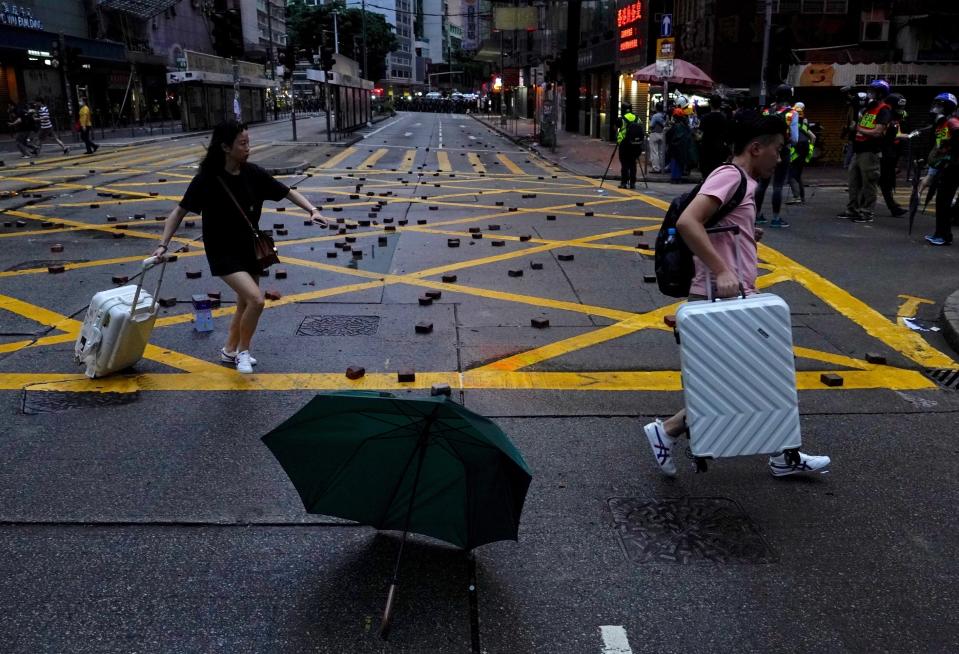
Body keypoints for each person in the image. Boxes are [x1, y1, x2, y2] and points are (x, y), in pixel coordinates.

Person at [642, 114, 831, 478]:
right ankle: (667, 431)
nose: (780, 158)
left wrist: (744, 234)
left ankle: (780, 455)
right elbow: (688, 222)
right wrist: (723, 270)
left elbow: (714, 226)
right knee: (748, 378)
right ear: (756, 149)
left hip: (732, 297)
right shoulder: (730, 176)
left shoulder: (741, 181)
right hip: (719, 298)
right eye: (777, 149)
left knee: (751, 378)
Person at [150, 120, 329, 373]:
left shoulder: (253, 173)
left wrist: (312, 210)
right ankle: (243, 353)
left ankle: (229, 350)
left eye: (248, 143)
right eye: (243, 144)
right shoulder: (208, 179)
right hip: (222, 251)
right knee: (256, 300)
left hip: (250, 248)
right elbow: (178, 212)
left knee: (244, 303)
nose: (248, 148)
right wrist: (162, 245)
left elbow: (287, 192)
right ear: (225, 147)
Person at [839, 79, 892, 223]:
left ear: (881, 94)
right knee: (853, 182)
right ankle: (852, 209)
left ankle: (867, 212)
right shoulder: (868, 108)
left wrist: (859, 129)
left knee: (869, 183)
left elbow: (878, 132)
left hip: (870, 152)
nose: (870, 94)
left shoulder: (883, 110)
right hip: (858, 150)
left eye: (873, 91)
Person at [755, 84, 797, 228]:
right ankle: (776, 218)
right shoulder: (792, 113)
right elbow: (795, 138)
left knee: (762, 184)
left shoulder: (767, 111)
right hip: (783, 150)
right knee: (778, 185)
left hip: (766, 150)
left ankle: (757, 215)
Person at [925, 94, 959, 246]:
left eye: (939, 105)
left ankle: (944, 236)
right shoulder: (939, 124)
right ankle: (941, 233)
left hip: (953, 167)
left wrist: (948, 147)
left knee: (944, 201)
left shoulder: (952, 122)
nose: (936, 108)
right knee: (942, 201)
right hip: (945, 167)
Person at [878, 94, 908, 217]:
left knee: (886, 182)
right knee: (882, 182)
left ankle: (893, 206)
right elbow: (882, 134)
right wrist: (904, 136)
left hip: (891, 154)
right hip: (882, 154)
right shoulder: (885, 116)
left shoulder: (897, 118)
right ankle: (892, 207)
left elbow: (897, 133)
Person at [786, 102, 815, 205]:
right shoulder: (804, 122)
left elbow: (792, 138)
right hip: (805, 151)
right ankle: (801, 197)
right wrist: (810, 152)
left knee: (791, 176)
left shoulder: (792, 122)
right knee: (798, 175)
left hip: (796, 151)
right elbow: (813, 137)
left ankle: (796, 197)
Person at [697, 94, 731, 179]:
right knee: (716, 177)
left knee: (706, 177)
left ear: (710, 104)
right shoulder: (724, 119)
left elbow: (699, 136)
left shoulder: (705, 118)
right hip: (719, 151)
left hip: (706, 151)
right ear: (720, 104)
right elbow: (727, 137)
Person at [616, 102, 644, 189]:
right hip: (635, 145)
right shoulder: (637, 118)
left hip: (624, 144)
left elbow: (617, 127)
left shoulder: (622, 119)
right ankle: (632, 183)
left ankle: (624, 183)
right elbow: (640, 127)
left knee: (624, 164)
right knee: (633, 164)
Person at [666, 108, 692, 184]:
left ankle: (674, 178)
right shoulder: (685, 126)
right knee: (680, 162)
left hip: (674, 148)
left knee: (674, 162)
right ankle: (678, 177)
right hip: (683, 148)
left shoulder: (674, 127)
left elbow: (668, 135)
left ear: (674, 117)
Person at [648, 103, 666, 173]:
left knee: (654, 152)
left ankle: (656, 168)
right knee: (661, 152)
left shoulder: (655, 116)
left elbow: (651, 125)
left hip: (655, 134)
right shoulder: (664, 115)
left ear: (656, 108)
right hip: (662, 134)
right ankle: (661, 167)